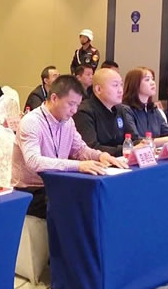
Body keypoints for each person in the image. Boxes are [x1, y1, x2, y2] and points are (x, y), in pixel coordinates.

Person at [12, 76, 128, 218]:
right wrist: (78, 166)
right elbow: (33, 161)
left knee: (99, 197)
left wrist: (100, 155)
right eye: (71, 104)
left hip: (58, 183)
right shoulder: (31, 122)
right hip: (33, 191)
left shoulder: (68, 122)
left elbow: (80, 150)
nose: (74, 110)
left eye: (77, 105)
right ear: (54, 98)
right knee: (79, 206)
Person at [73, 68, 140, 156]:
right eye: (115, 85)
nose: (120, 90)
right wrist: (127, 149)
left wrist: (142, 144)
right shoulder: (84, 112)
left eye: (121, 85)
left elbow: (133, 139)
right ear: (98, 89)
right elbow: (91, 148)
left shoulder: (120, 109)